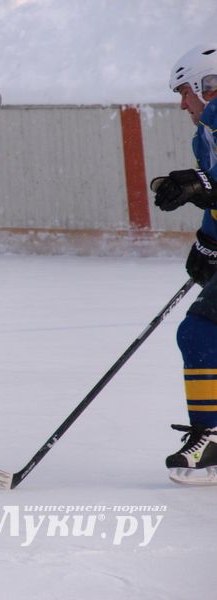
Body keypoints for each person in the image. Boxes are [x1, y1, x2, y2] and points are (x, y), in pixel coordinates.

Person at [150, 43, 217, 484]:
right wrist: (208, 244)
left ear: (206, 85)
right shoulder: (205, 133)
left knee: (200, 331)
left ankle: (212, 441)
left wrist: (200, 185)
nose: (182, 104)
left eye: (185, 93)